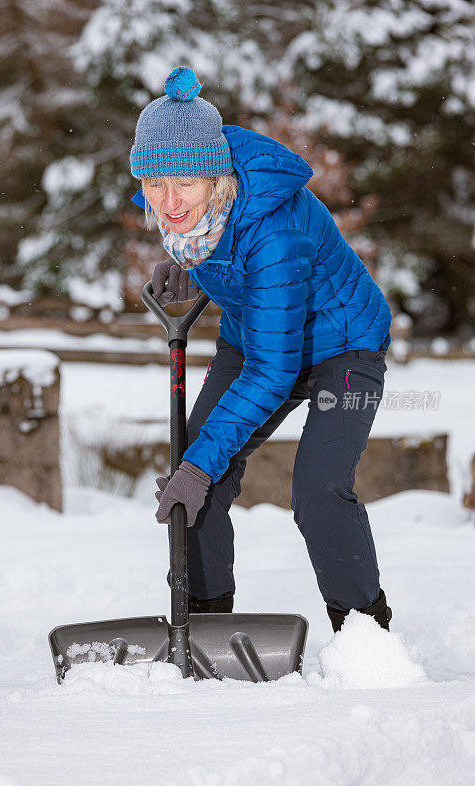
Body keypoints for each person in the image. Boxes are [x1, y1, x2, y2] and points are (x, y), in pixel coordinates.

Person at [129, 66, 392, 632]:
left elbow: (274, 370)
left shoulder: (277, 227)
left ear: (217, 178)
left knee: (317, 491)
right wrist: (189, 269)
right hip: (258, 336)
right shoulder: (192, 214)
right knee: (198, 470)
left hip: (342, 348)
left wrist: (198, 469)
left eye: (185, 185)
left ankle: (366, 633)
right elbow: (228, 254)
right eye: (155, 185)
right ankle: (203, 624)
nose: (170, 203)